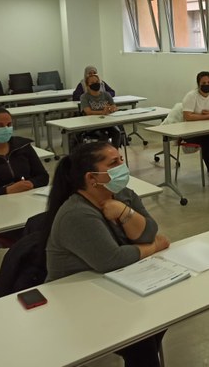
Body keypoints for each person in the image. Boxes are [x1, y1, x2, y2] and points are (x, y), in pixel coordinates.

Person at [44, 141, 170, 367]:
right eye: (114, 163)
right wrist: (152, 248)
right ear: (91, 178)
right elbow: (112, 260)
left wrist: (123, 211)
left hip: (113, 285)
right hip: (77, 298)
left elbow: (149, 231)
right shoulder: (77, 213)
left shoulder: (122, 194)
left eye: (121, 160)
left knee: (159, 314)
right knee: (139, 338)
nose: (123, 166)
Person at [79, 73, 121, 147]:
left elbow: (114, 107)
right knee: (102, 136)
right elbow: (88, 112)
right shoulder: (84, 97)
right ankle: (102, 153)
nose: (95, 84)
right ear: (87, 85)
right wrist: (102, 112)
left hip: (107, 122)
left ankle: (114, 151)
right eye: (92, 83)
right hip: (92, 124)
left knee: (117, 132)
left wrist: (111, 109)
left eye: (97, 82)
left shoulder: (106, 95)